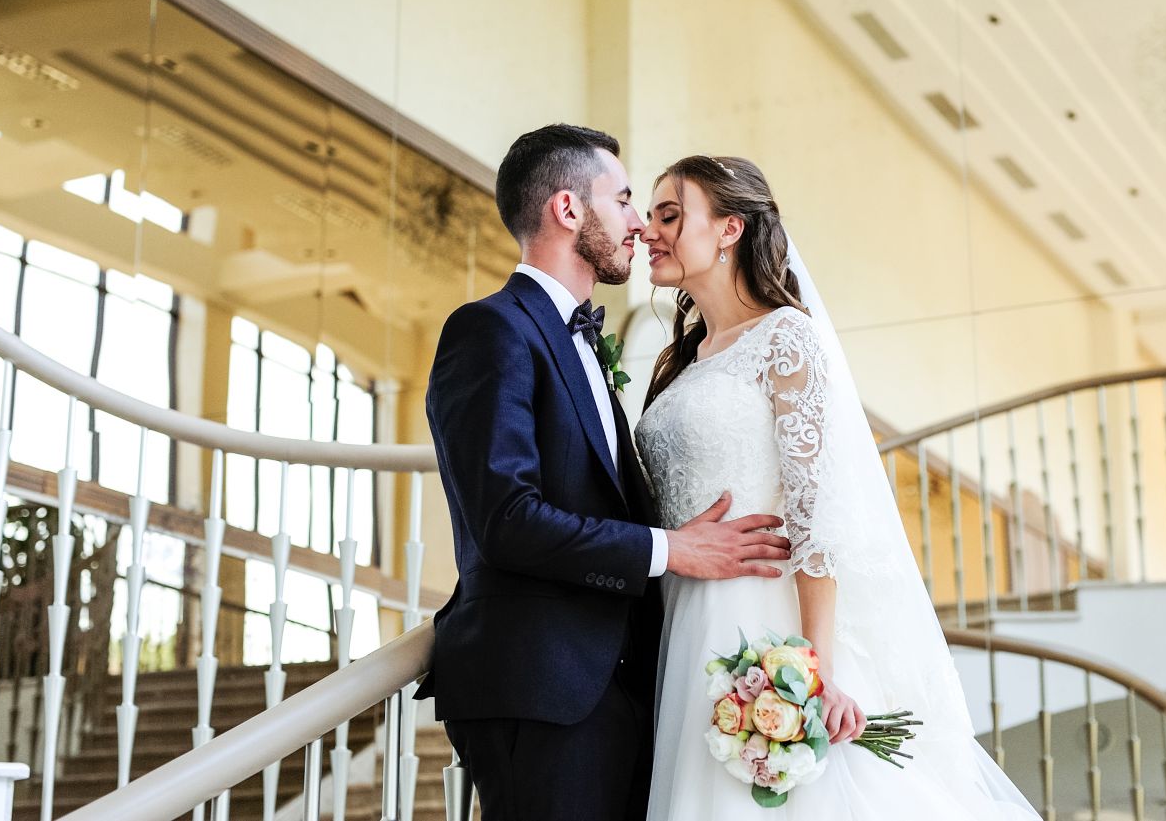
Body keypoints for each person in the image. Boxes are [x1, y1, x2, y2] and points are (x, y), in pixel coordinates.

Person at [634, 154, 1040, 819]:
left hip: (760, 617)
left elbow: (813, 513)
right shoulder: (681, 361)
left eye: (670, 215)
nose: (649, 230)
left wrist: (811, 667)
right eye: (649, 216)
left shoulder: (786, 338)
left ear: (731, 228)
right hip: (682, 614)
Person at [414, 126, 792, 821]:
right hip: (542, 689)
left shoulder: (584, 340)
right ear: (567, 209)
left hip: (630, 686)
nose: (639, 224)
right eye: (622, 201)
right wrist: (671, 549)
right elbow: (506, 520)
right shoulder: (490, 330)